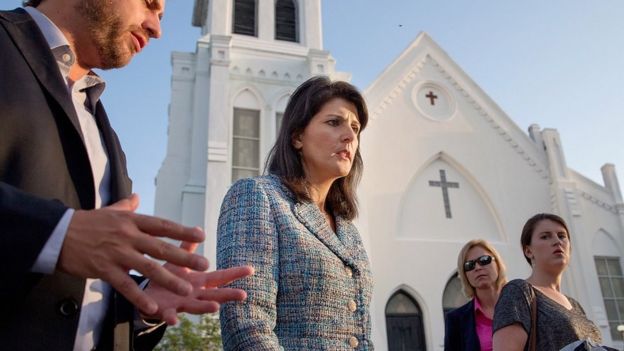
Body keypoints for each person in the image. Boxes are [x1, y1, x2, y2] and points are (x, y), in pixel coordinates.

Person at [0, 1, 253, 350]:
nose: (157, 28)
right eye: (150, 4)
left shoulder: (106, 137)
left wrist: (142, 304)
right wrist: (55, 234)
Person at [216, 76, 373, 350]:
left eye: (355, 127)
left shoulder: (348, 230)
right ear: (298, 136)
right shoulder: (258, 196)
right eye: (334, 122)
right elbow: (246, 325)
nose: (349, 135)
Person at [492, 213, 602, 350]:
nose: (557, 241)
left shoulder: (575, 305)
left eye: (562, 236)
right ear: (528, 251)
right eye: (545, 236)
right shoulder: (518, 292)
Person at [445, 239, 508, 351]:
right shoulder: (456, 319)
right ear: (465, 275)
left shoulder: (523, 304)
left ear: (497, 264)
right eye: (470, 265)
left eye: (484, 260)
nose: (478, 268)